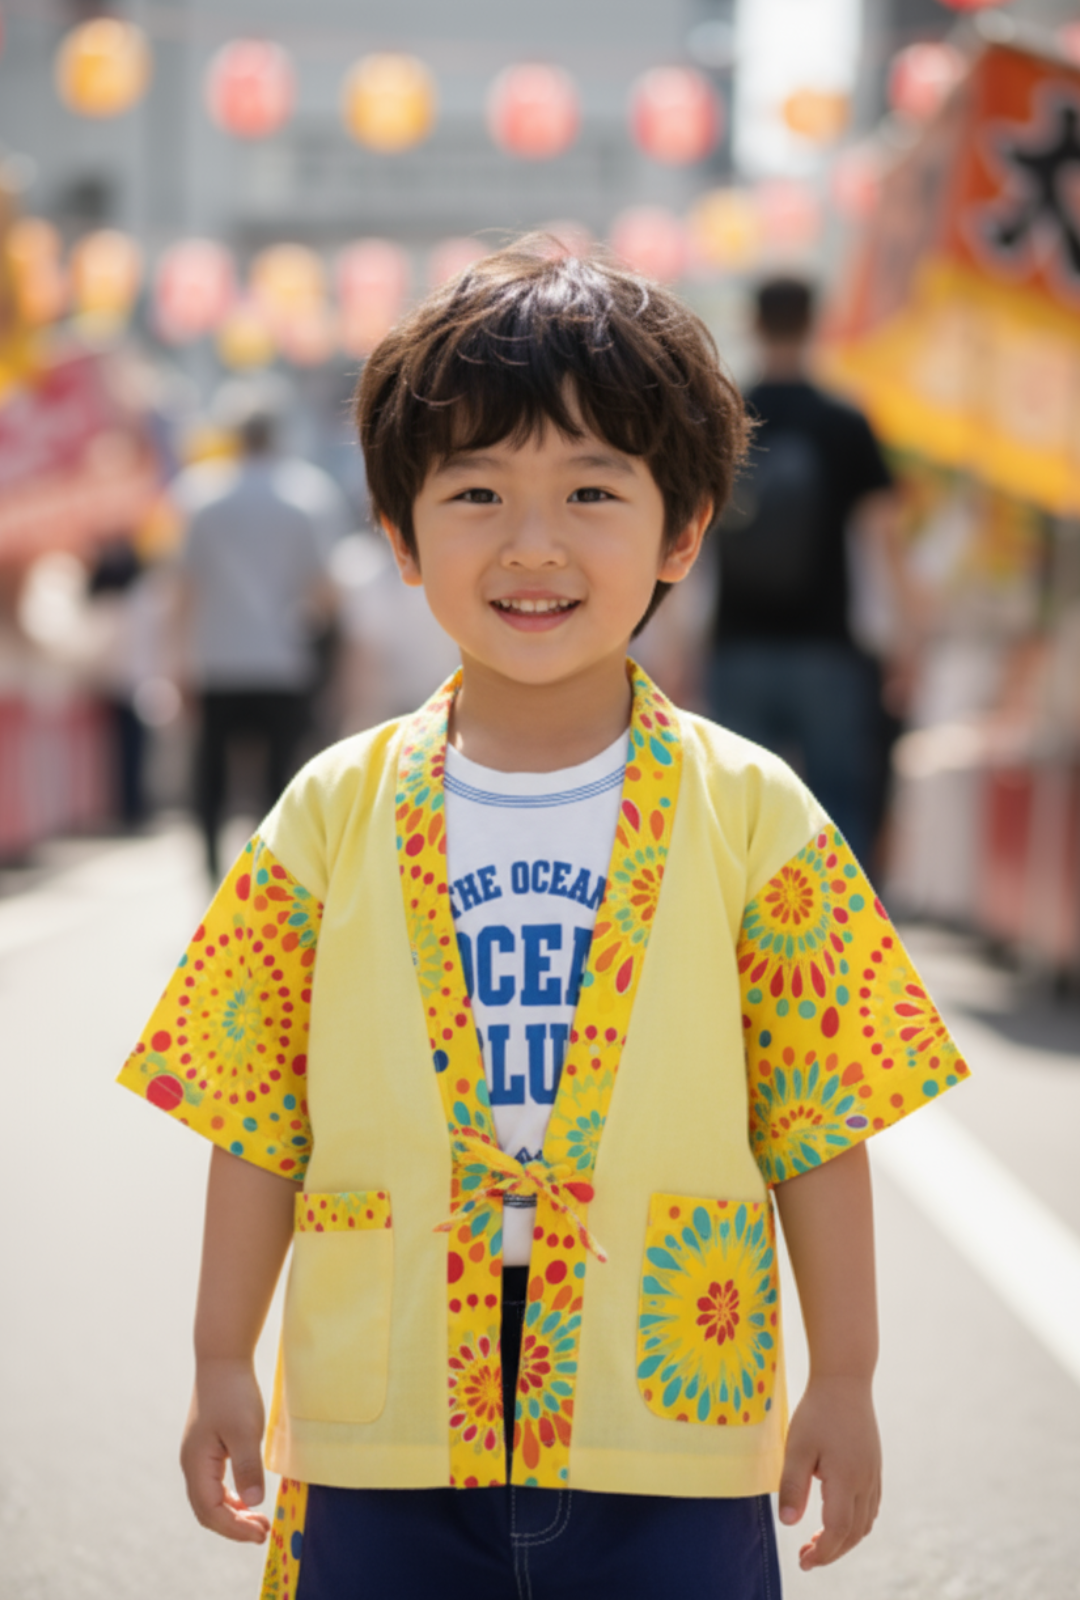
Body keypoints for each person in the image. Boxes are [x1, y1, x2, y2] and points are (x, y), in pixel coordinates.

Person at [118, 241, 970, 1600]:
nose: (532, 544)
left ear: (683, 531)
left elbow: (820, 1120)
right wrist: (223, 1355)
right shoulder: (329, 813)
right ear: (397, 533)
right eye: (473, 493)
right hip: (382, 1413)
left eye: (592, 490)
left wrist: (846, 1375)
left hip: (666, 1417)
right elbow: (254, 1113)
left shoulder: (756, 812)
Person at [709, 276, 910, 868]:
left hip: (736, 640)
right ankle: (842, 946)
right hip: (828, 643)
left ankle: (748, 945)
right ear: (814, 323)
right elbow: (882, 538)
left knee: (741, 809)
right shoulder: (844, 422)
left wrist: (668, 638)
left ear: (754, 324)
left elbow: (687, 539)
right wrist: (905, 633)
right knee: (837, 800)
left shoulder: (725, 417)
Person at [175, 391, 343, 877]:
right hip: (282, 658)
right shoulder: (307, 495)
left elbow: (182, 590)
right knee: (281, 775)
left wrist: (176, 662)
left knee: (212, 775)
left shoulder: (199, 496)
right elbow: (325, 591)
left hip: (216, 656)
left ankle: (211, 874)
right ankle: (275, 875)